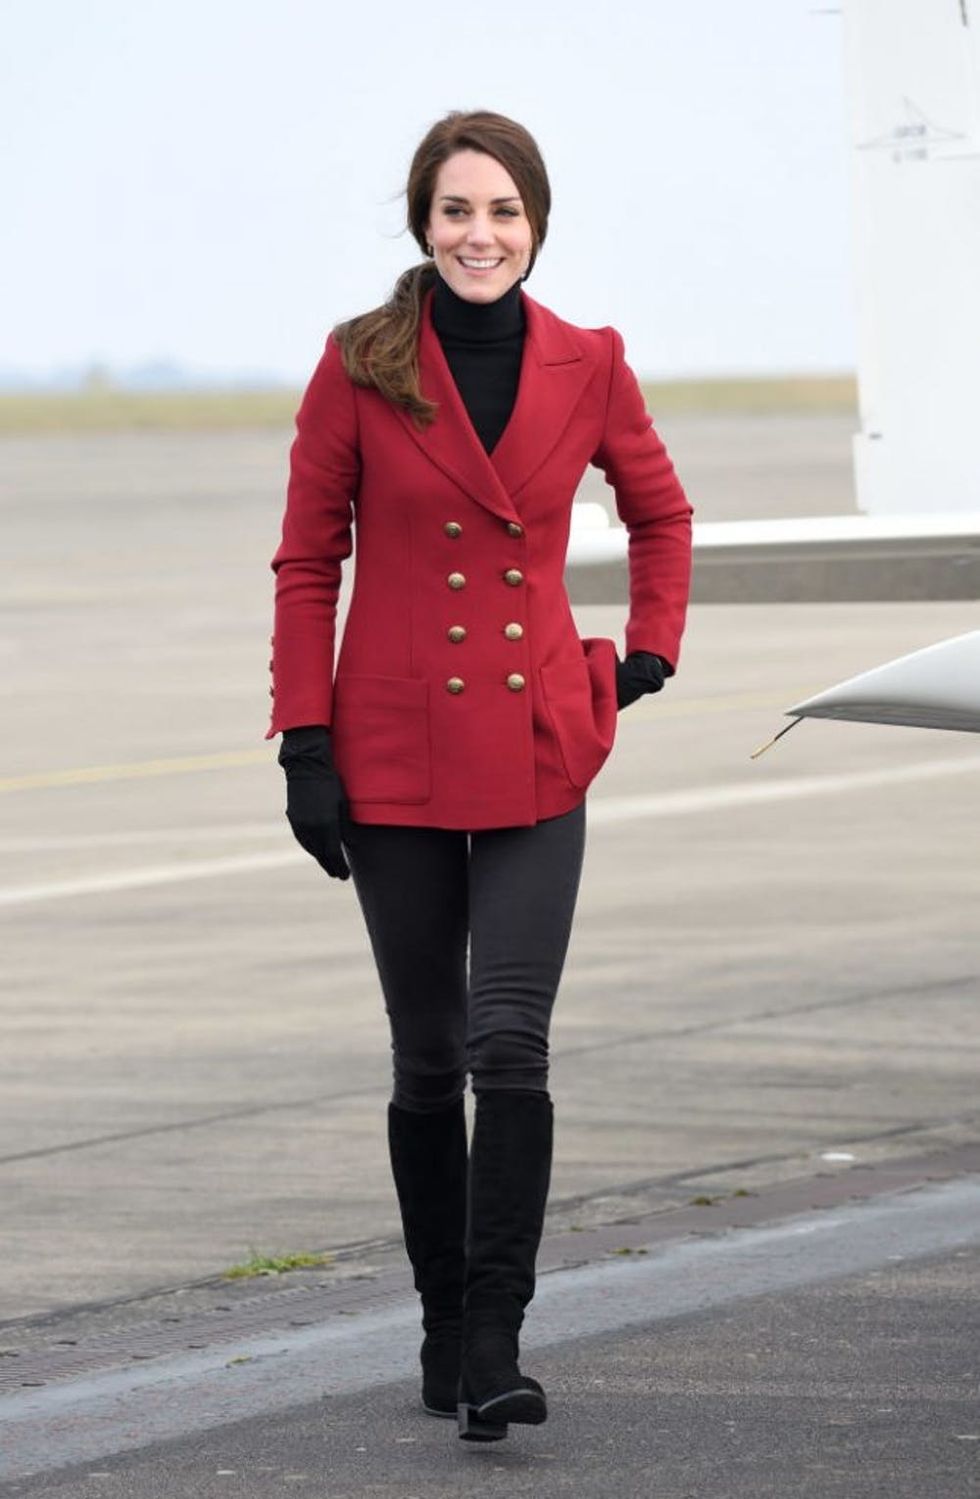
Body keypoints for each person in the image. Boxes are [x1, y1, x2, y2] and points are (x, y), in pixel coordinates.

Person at [266, 109, 693, 1442]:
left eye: (502, 212)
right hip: (388, 751)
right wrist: (305, 742)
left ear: (536, 225)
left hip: (534, 742)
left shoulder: (591, 360)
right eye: (457, 211)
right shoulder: (360, 364)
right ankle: (444, 1324)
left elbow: (661, 513)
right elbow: (306, 562)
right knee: (427, 1054)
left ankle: (499, 1336)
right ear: (423, 223)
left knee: (511, 1043)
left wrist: (645, 654)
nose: (480, 234)